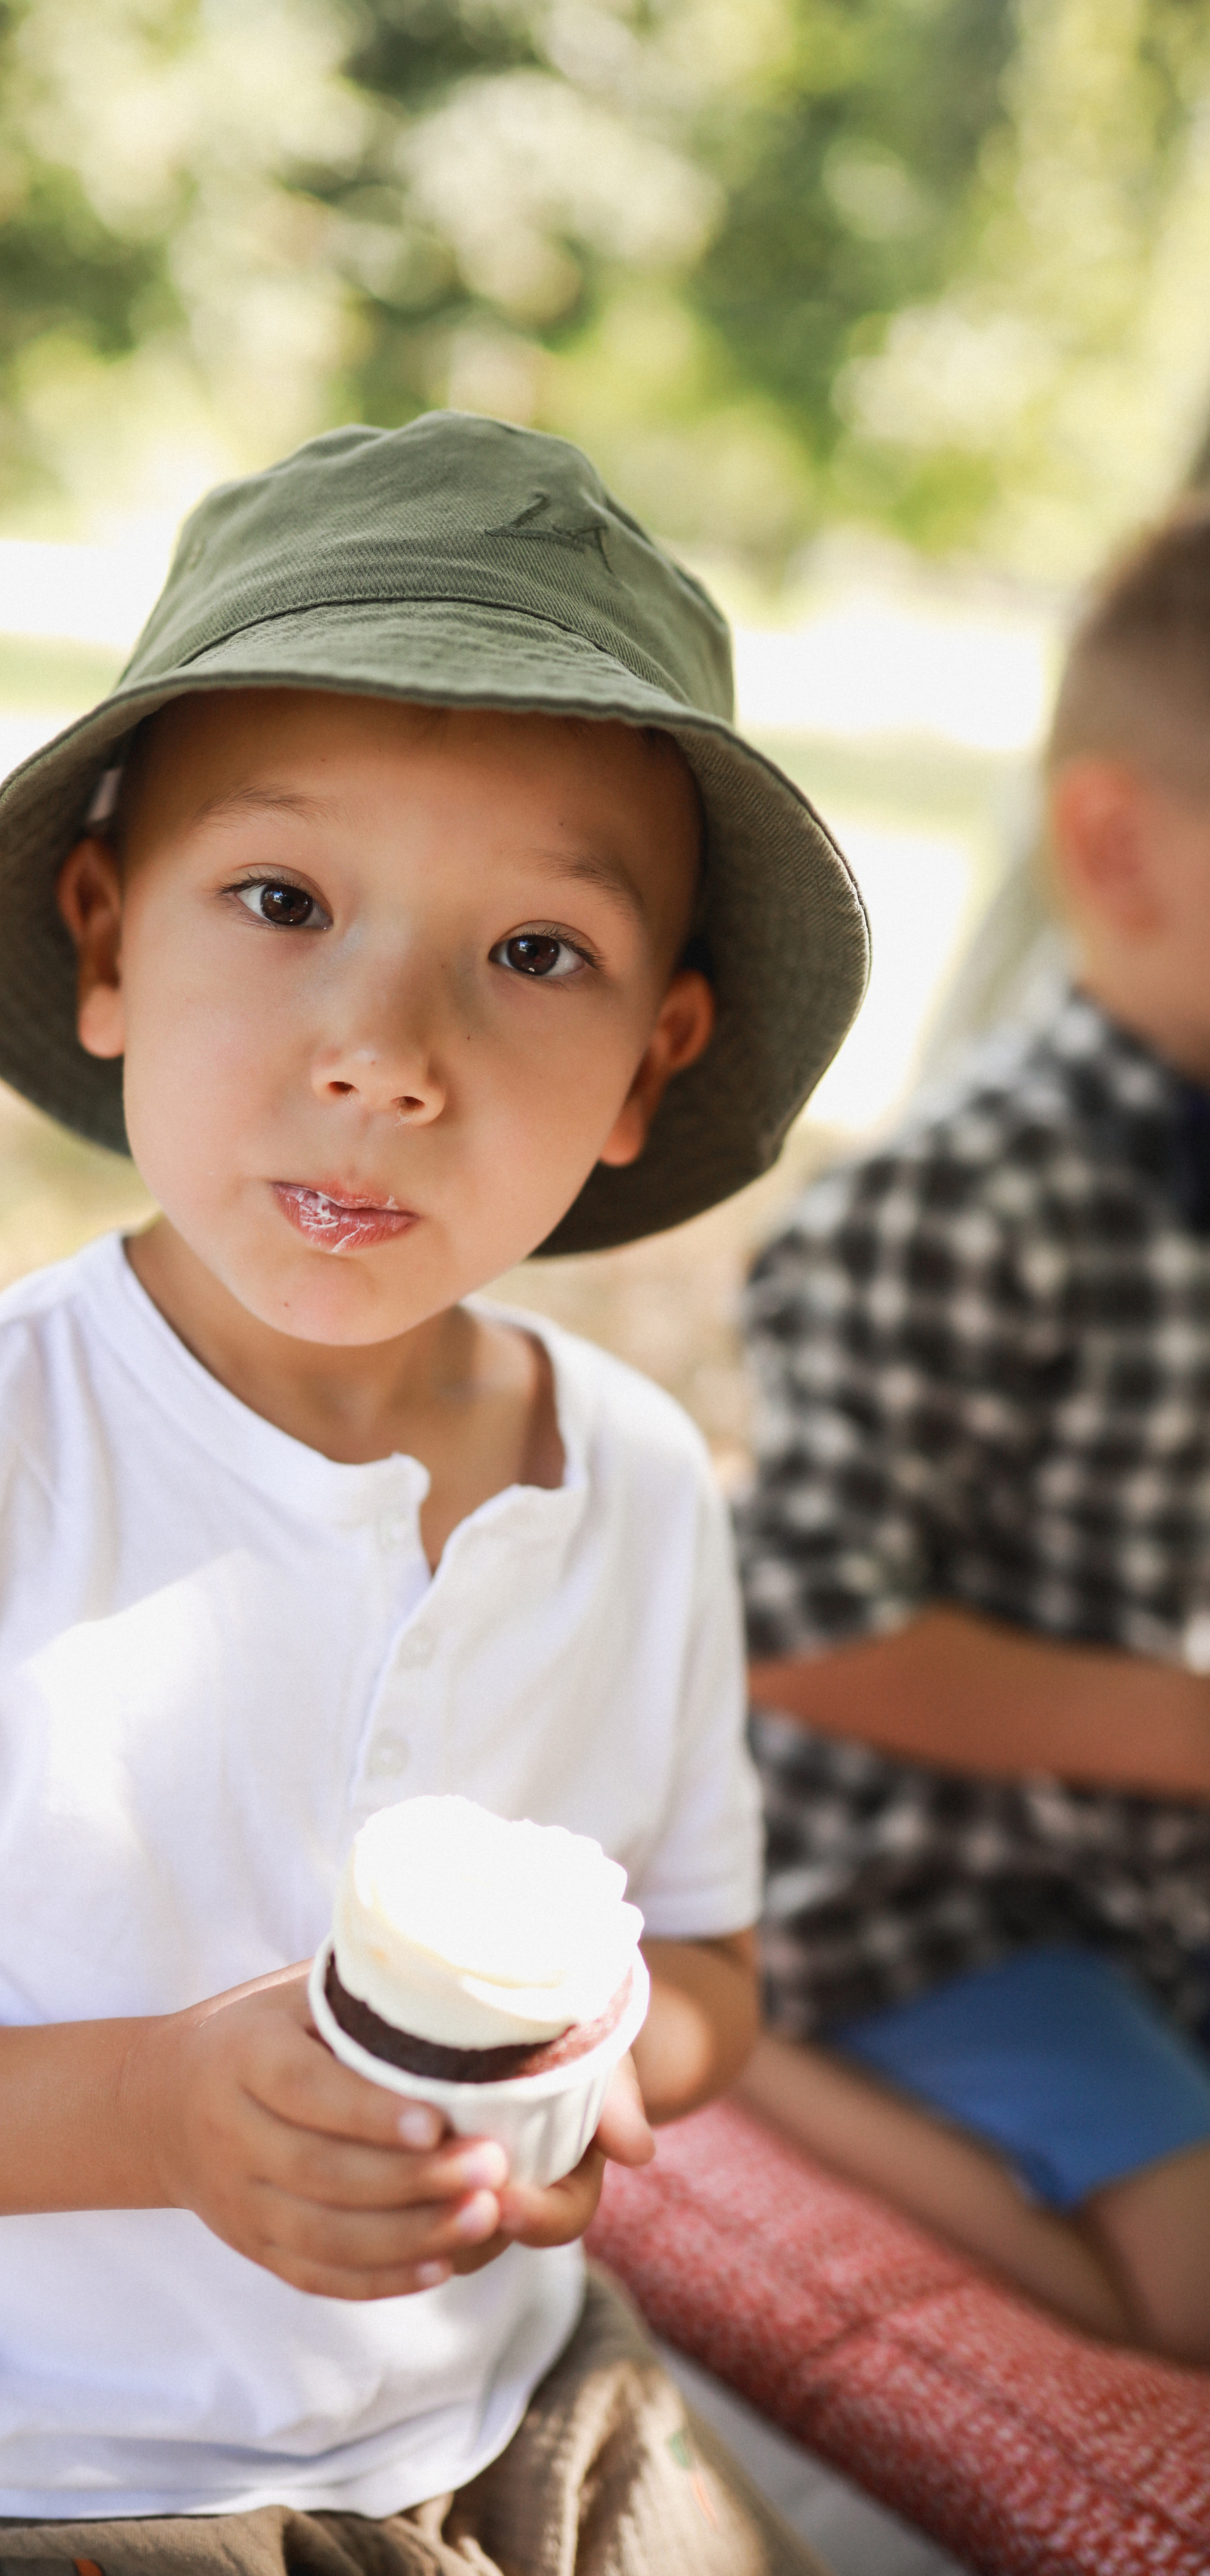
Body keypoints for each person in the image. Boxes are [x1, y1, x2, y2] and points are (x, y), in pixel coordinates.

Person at [0, 412, 867, 2576]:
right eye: (281, 900)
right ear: (107, 940)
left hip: (502, 2394)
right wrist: (153, 2106)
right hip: (14, 2473)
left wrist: (580, 2087)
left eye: (536, 953)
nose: (385, 1049)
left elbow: (705, 1965)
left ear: (656, 1061)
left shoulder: (640, 1487)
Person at [732, 504, 1210, 2365]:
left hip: (1149, 1871)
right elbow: (801, 1623)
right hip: (936, 1891)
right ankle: (732, 2047)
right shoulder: (967, 1201)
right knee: (1194, 2291)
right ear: (1121, 845)